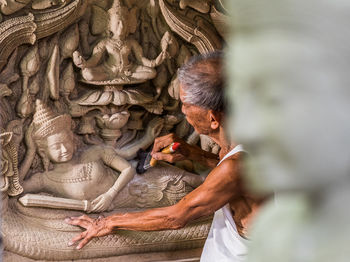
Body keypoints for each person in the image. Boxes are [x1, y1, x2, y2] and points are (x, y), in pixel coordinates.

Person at [65, 51, 262, 261]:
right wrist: (192, 153)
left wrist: (108, 222)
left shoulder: (237, 165)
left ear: (213, 118)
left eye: (186, 104)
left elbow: (176, 217)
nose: (183, 111)